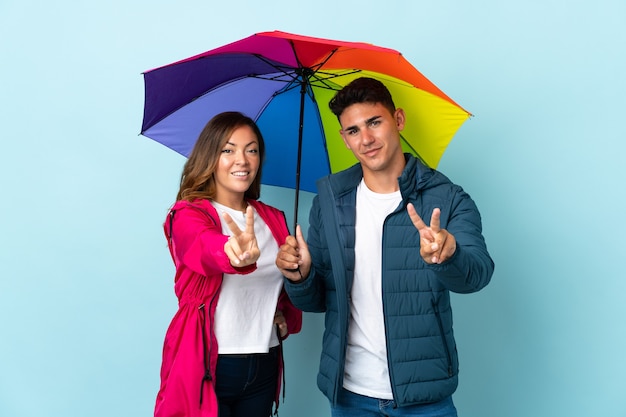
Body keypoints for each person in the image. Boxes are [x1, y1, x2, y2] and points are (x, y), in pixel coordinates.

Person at [276, 77, 494, 417]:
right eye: (353, 130)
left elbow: (478, 274)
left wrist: (448, 256)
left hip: (425, 396)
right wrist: (300, 276)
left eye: (374, 123)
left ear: (399, 120)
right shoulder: (329, 201)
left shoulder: (448, 198)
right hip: (348, 396)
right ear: (344, 139)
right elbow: (318, 301)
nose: (366, 139)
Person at [154, 111, 302, 417]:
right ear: (210, 156)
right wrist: (233, 254)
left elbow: (277, 286)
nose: (242, 160)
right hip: (210, 363)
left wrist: (296, 280)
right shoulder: (188, 214)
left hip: (264, 361)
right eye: (228, 150)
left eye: (252, 150)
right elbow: (203, 248)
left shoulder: (274, 218)